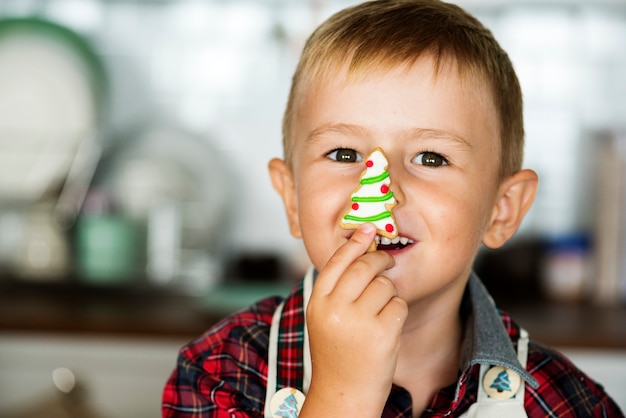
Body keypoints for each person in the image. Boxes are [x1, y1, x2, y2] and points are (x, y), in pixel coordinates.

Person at [162, 1, 624, 417]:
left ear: (501, 210)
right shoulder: (219, 373)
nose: (380, 190)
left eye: (430, 158)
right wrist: (344, 395)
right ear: (292, 198)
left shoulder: (569, 404)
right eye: (344, 154)